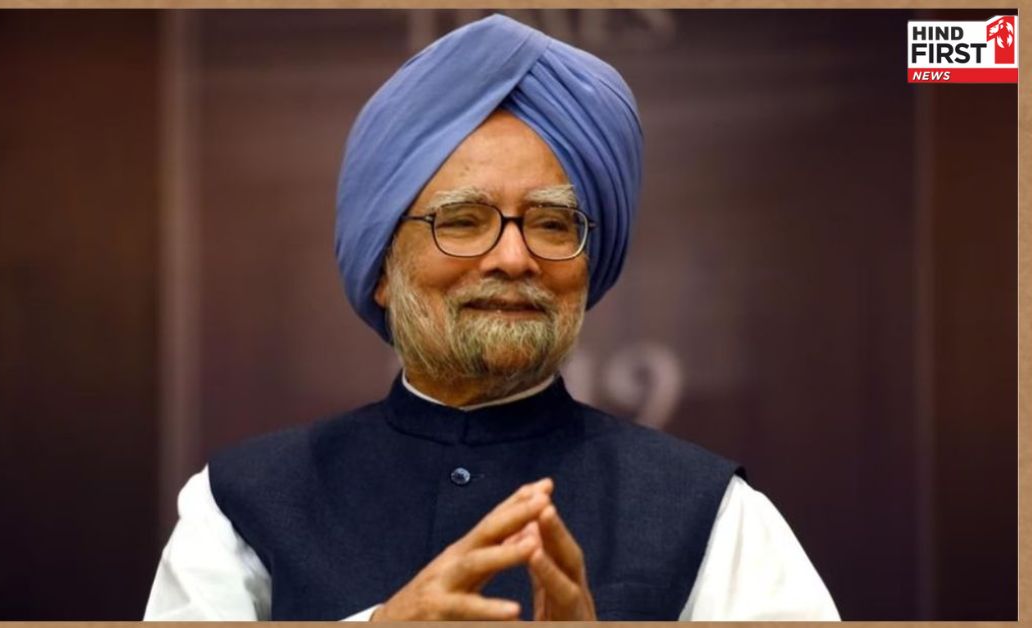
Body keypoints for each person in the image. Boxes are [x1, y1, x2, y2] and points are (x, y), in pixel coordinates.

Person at [144, 14, 839, 621]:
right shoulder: (240, 506)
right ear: (382, 270)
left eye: (552, 223)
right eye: (463, 220)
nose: (513, 256)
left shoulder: (712, 513)